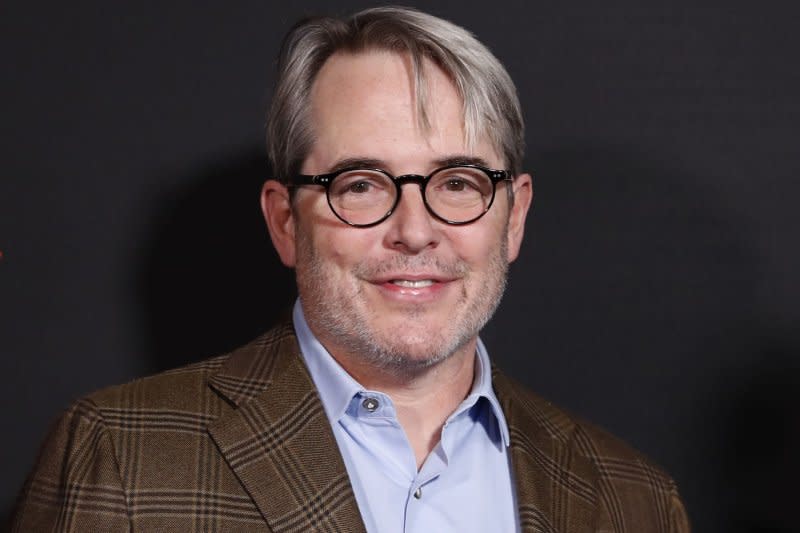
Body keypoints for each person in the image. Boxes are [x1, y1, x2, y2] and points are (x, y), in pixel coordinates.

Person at [12, 6, 689, 532]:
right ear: (285, 221)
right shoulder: (123, 458)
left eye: (457, 181)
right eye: (362, 183)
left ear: (512, 218)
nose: (415, 231)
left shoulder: (633, 497)